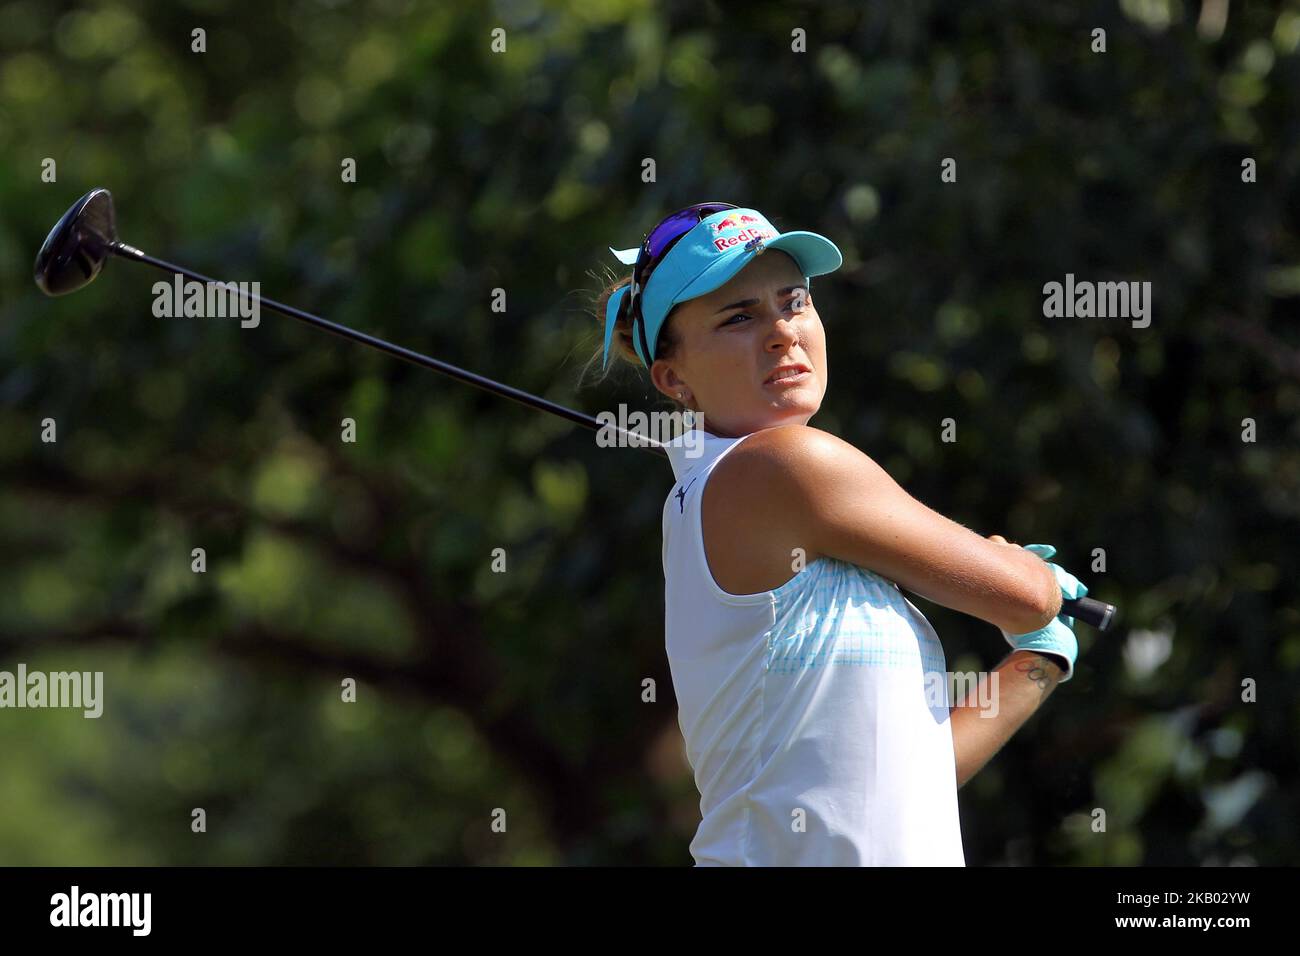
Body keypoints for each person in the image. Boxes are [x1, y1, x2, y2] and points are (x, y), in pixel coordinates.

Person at [590, 202, 1090, 866]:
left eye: (793, 302)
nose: (780, 333)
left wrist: (1039, 661)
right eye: (738, 316)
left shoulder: (726, 493)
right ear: (673, 378)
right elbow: (1025, 596)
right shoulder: (786, 465)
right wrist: (1029, 582)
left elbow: (913, 783)